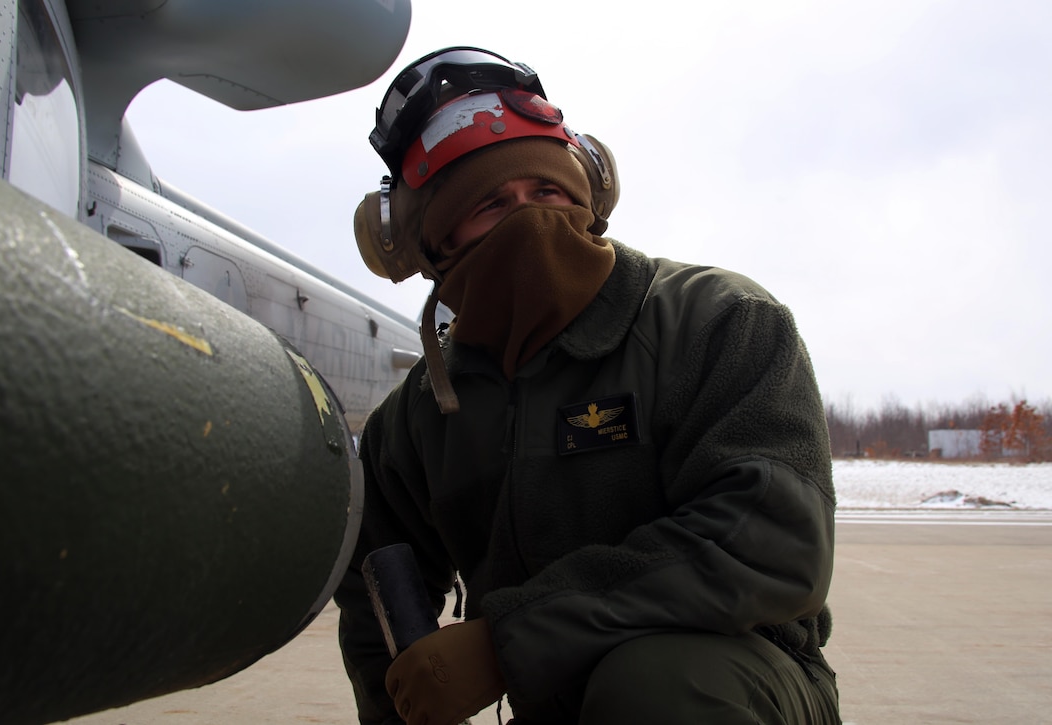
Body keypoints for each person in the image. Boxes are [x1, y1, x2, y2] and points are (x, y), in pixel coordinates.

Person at [336, 46, 840, 725]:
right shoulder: (420, 417)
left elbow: (775, 541)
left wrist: (507, 641)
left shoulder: (718, 320)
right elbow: (376, 597)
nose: (530, 219)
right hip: (555, 705)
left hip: (738, 681)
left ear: (590, 197)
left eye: (548, 192)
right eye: (491, 205)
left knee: (655, 686)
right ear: (432, 245)